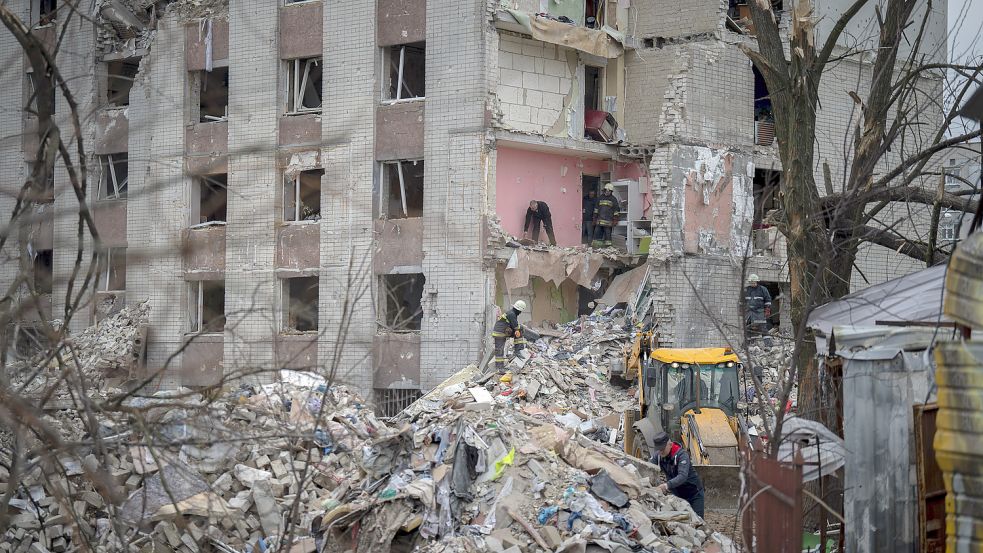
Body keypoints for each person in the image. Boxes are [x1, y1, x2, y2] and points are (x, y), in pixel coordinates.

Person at [651, 431, 705, 518]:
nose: (660, 452)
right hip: (678, 495)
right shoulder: (658, 455)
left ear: (670, 444)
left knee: (698, 523)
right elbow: (649, 468)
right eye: (658, 449)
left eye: (662, 449)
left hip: (694, 494)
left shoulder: (682, 455)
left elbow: (682, 476)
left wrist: (666, 486)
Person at [491, 300, 527, 374]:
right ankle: (499, 368)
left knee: (520, 331)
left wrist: (519, 329)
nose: (520, 313)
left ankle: (517, 350)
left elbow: (515, 326)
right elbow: (515, 326)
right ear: (519, 310)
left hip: (504, 331)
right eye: (520, 311)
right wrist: (520, 328)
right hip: (499, 333)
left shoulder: (512, 313)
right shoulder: (512, 314)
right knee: (499, 350)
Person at [592, 183, 616, 248]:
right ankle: (595, 248)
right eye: (607, 190)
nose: (608, 192)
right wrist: (594, 219)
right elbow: (596, 209)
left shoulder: (613, 199)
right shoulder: (600, 198)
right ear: (605, 190)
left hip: (608, 222)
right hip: (599, 221)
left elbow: (616, 211)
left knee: (608, 237)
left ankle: (608, 249)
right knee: (596, 235)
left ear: (611, 191)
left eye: (609, 191)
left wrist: (615, 220)